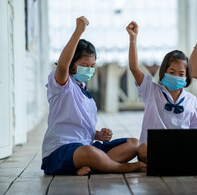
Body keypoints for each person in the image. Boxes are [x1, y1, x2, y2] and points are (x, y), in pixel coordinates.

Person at [41, 16, 146, 176]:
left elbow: (81, 128)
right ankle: (124, 168)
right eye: (84, 66)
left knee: (133, 144)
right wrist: (78, 31)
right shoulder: (62, 85)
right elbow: (62, 65)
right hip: (59, 151)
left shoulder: (87, 95)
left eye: (92, 66)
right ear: (72, 63)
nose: (89, 70)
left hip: (85, 147)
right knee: (89, 153)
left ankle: (94, 167)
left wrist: (97, 134)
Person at [126, 21, 197, 162]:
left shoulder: (192, 100)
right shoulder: (151, 90)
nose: (176, 76)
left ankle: (172, 162)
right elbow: (134, 68)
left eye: (181, 74)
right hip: (154, 148)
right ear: (164, 71)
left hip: (180, 148)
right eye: (172, 72)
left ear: (187, 76)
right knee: (142, 148)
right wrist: (133, 38)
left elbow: (195, 131)